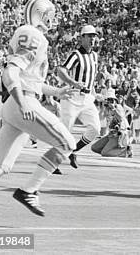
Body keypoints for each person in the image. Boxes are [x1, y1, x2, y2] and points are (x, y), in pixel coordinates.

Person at [0, 0, 78, 216]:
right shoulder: (33, 35)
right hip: (22, 102)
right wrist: (22, 100)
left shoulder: (28, 33)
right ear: (41, 14)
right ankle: (30, 190)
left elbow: (31, 81)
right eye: (50, 15)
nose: (52, 20)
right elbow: (11, 72)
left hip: (16, 103)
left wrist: (56, 91)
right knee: (67, 143)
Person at [56, 25, 101, 171]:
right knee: (64, 131)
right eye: (89, 36)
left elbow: (92, 78)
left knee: (95, 128)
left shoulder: (94, 56)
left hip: (87, 97)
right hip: (72, 96)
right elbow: (61, 70)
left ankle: (74, 151)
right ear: (82, 38)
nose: (93, 39)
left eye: (94, 36)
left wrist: (95, 93)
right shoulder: (75, 55)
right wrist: (73, 83)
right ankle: (53, 161)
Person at [91, 89, 132, 158]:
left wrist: (114, 109)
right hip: (111, 134)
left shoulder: (118, 107)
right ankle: (113, 151)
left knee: (104, 153)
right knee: (94, 148)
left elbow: (121, 118)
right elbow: (100, 118)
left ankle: (126, 150)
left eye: (112, 100)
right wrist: (102, 108)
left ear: (115, 100)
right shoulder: (106, 108)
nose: (110, 102)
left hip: (119, 134)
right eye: (108, 100)